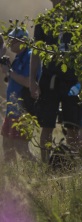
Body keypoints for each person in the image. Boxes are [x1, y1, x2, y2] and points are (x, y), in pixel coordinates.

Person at [29, 0, 80, 165]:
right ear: (52, 0)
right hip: (49, 79)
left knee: (72, 125)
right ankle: (45, 164)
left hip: (71, 80)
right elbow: (36, 53)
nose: (61, 2)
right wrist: (32, 81)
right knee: (47, 124)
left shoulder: (76, 20)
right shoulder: (43, 21)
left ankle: (72, 163)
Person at [3, 29, 35, 162]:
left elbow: (29, 82)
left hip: (23, 110)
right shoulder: (17, 58)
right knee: (7, 145)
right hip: (12, 110)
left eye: (14, 41)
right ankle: (13, 178)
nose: (10, 44)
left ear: (23, 41)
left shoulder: (30, 56)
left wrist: (9, 72)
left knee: (21, 147)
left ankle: (37, 173)